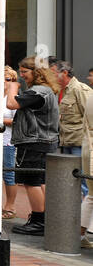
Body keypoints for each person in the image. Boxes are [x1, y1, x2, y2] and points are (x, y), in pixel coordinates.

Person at [8, 56, 60, 236]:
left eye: (25, 72)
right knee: (41, 181)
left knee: (32, 182)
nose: (22, 76)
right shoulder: (47, 90)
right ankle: (45, 219)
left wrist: (12, 87)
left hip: (33, 142)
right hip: (45, 141)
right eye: (20, 72)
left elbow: (11, 103)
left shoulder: (36, 92)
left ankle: (39, 221)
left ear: (36, 72)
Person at [54, 61, 90, 200]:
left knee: (84, 180)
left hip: (80, 142)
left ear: (64, 73)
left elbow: (90, 117)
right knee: (72, 180)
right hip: (67, 141)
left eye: (55, 73)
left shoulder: (79, 89)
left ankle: (87, 216)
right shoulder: (61, 90)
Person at [1, 66, 19, 219]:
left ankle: (11, 206)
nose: (5, 82)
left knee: (9, 175)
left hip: (8, 142)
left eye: (9, 79)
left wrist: (1, 121)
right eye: (3, 78)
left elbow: (18, 121)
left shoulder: (13, 98)